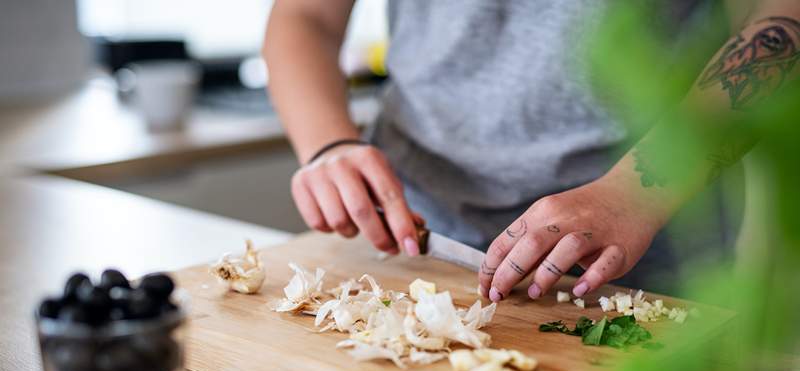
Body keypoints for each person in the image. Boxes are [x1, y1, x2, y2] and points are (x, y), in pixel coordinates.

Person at [264, 0, 800, 303]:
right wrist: (328, 145)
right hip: (408, 233)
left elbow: (782, 23)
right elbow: (305, 17)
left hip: (640, 250)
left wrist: (635, 192)